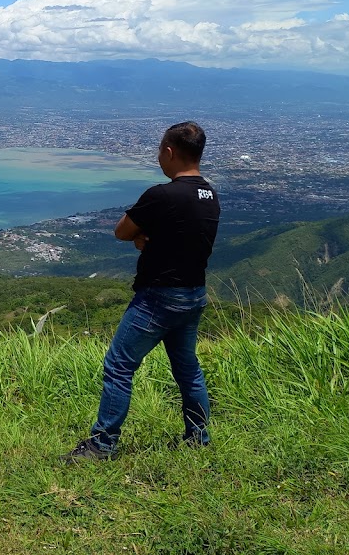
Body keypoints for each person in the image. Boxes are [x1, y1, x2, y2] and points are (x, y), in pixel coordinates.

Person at [62, 121, 220, 462]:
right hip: (194, 294)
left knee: (119, 366)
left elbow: (122, 231)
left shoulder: (161, 195)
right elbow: (185, 238)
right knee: (187, 369)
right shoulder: (209, 195)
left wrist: (140, 238)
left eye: (159, 150)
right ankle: (198, 438)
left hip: (158, 298)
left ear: (169, 152)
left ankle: (103, 445)